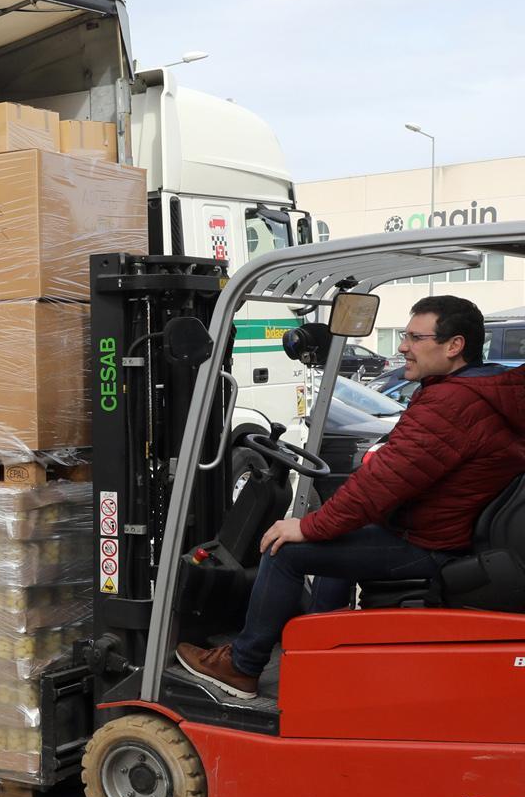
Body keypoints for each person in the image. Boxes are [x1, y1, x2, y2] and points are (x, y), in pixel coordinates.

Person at [178, 296, 525, 700]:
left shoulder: (452, 403)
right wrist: (328, 523)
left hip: (430, 543)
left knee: (284, 551)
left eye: (415, 337)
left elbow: (383, 482)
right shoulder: (472, 391)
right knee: (332, 535)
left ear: (454, 345)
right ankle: (320, 651)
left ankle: (242, 666)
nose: (402, 347)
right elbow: (396, 474)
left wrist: (307, 525)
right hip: (438, 530)